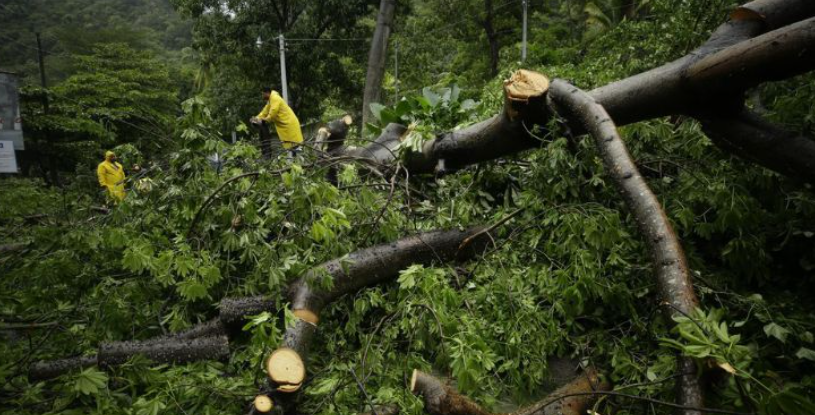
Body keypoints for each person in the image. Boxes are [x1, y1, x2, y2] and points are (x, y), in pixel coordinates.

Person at [250, 87, 303, 159]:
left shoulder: (275, 98)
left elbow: (272, 114)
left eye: (263, 94)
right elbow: (264, 111)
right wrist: (256, 118)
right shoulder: (271, 100)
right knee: (291, 148)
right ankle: (295, 164)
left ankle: (300, 164)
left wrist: (263, 120)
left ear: (267, 93)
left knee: (296, 147)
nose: (262, 96)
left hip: (290, 124)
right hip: (286, 125)